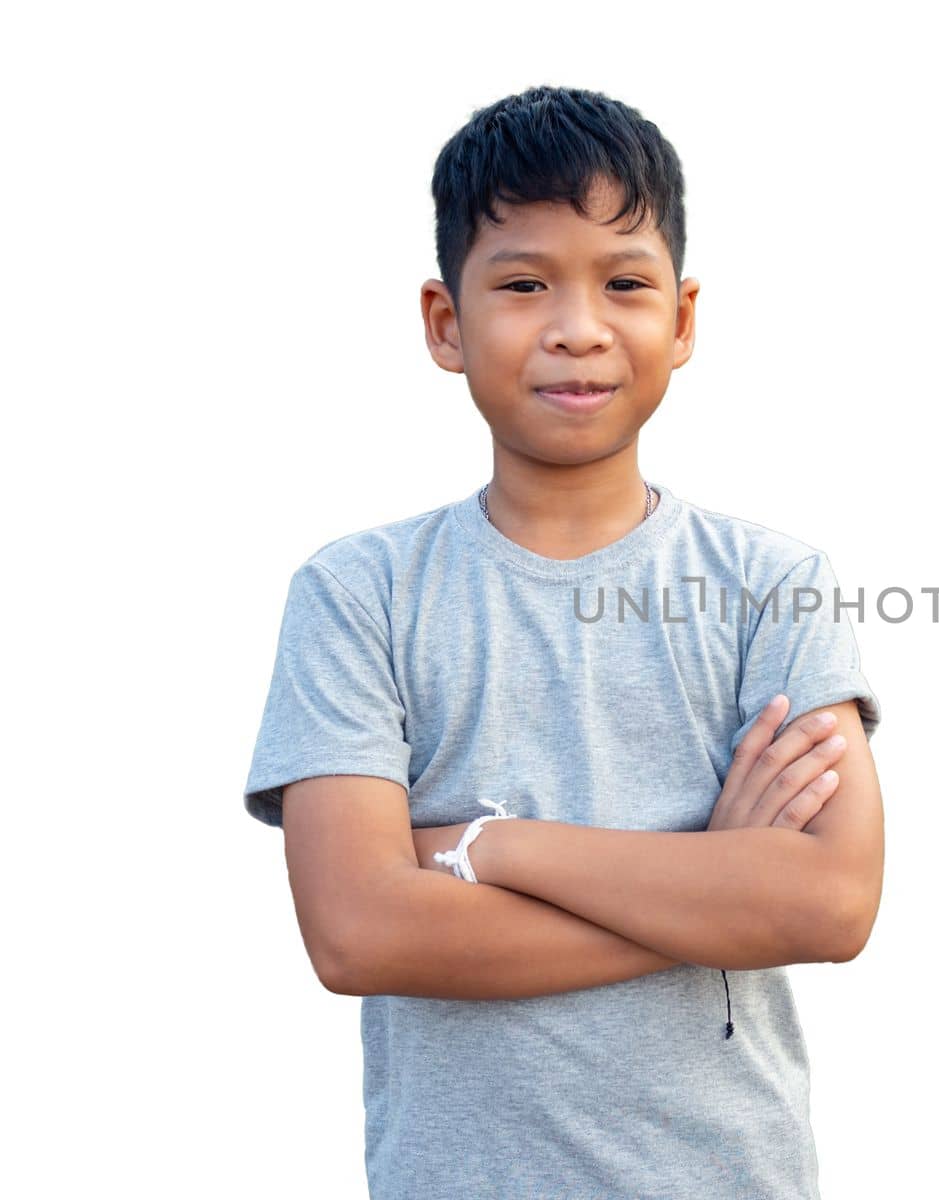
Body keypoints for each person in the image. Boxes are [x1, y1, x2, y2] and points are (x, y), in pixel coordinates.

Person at [242, 84, 885, 1199]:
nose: (577, 325)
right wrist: (715, 895)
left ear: (681, 322)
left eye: (624, 284)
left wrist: (487, 847)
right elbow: (356, 933)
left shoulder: (772, 585)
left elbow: (827, 907)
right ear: (446, 322)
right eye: (525, 282)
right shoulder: (359, 594)